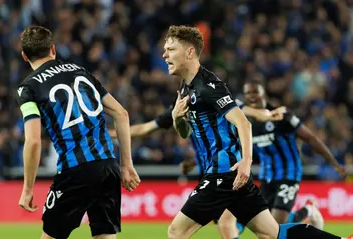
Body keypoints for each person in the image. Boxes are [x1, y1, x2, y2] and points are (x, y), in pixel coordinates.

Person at [163, 25, 352, 239]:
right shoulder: (187, 88)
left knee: (176, 232)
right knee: (272, 234)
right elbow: (185, 133)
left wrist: (246, 161)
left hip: (223, 172)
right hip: (229, 174)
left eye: (171, 49)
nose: (164, 54)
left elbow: (244, 123)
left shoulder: (209, 86)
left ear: (189, 52)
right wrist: (177, 118)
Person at [17, 26, 140, 239]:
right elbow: (122, 114)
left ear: (24, 56)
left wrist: (28, 188)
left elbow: (34, 141)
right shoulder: (81, 71)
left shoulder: (28, 88)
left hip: (75, 170)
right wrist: (126, 165)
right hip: (108, 166)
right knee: (105, 235)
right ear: (53, 50)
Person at [109, 96, 285, 239]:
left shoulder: (209, 96)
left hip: (225, 172)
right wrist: (111, 133)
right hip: (212, 173)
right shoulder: (178, 109)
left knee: (221, 225)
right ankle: (306, 227)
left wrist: (266, 115)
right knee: (267, 232)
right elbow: (144, 129)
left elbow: (242, 110)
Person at [241, 80, 347, 226]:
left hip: (288, 173)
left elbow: (310, 138)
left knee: (277, 224)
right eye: (248, 93)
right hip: (267, 176)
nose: (251, 96)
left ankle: (308, 211)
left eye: (255, 92)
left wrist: (334, 162)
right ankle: (307, 210)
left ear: (263, 93)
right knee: (266, 227)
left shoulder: (282, 116)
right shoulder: (245, 121)